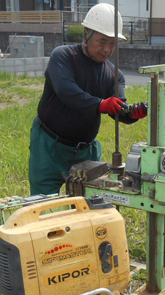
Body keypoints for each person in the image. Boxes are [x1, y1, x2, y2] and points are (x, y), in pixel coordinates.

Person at [28, 3, 147, 196]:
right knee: (42, 205)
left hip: (86, 151)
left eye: (113, 43)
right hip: (49, 146)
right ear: (86, 33)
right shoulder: (63, 57)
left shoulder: (114, 74)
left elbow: (119, 110)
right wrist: (100, 104)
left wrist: (133, 113)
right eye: (102, 41)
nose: (107, 49)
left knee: (88, 207)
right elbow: (66, 91)